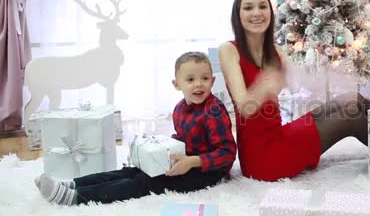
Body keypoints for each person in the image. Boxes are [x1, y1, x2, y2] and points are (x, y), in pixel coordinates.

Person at [34, 51, 236, 205]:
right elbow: (180, 139)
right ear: (177, 84)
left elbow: (227, 153)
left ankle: (77, 197)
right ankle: (74, 183)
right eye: (190, 79)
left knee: (145, 183)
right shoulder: (179, 109)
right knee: (133, 171)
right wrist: (160, 152)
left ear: (213, 80)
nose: (198, 84)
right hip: (184, 160)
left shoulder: (214, 111)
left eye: (205, 78)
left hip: (208, 172)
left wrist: (191, 162)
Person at [219, 0, 370, 182]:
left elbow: (300, 83)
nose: (256, 13)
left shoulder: (275, 51)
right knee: (352, 119)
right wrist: (264, 85)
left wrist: (330, 73)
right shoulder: (229, 50)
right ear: (237, 15)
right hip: (262, 160)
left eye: (262, 6)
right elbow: (244, 106)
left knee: (352, 100)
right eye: (248, 8)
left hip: (280, 134)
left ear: (270, 12)